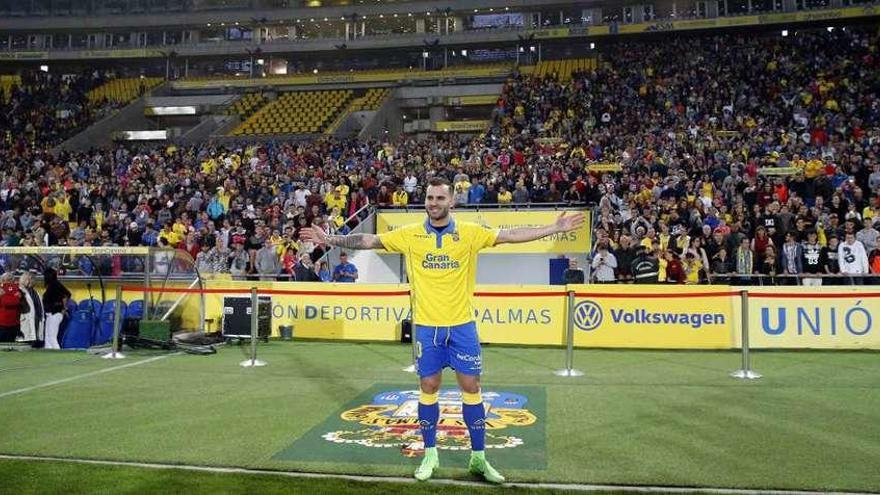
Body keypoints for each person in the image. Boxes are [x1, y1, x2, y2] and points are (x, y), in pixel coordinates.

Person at [300, 176, 585, 484]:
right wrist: (330, 240)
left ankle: (479, 459)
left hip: (462, 326)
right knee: (429, 387)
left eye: (439, 198)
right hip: (426, 328)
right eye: (429, 198)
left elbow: (511, 235)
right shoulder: (410, 234)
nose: (433, 203)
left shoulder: (470, 233)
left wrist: (554, 228)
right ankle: (431, 454)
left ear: (451, 202)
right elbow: (368, 241)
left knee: (471, 388)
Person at [42, 268, 70, 349]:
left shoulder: (55, 285)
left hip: (55, 312)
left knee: (51, 337)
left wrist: (64, 308)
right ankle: (48, 351)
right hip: (50, 313)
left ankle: (58, 352)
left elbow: (66, 295)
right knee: (47, 337)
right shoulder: (53, 285)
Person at [19, 271, 44, 345]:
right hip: (25, 320)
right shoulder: (19, 291)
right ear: (27, 280)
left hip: (36, 319)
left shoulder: (35, 292)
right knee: (25, 340)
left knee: (35, 340)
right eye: (33, 280)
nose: (34, 282)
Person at [0, 272, 25, 342]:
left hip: (2, 323)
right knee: (12, 345)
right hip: (14, 323)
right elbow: (24, 305)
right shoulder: (19, 290)